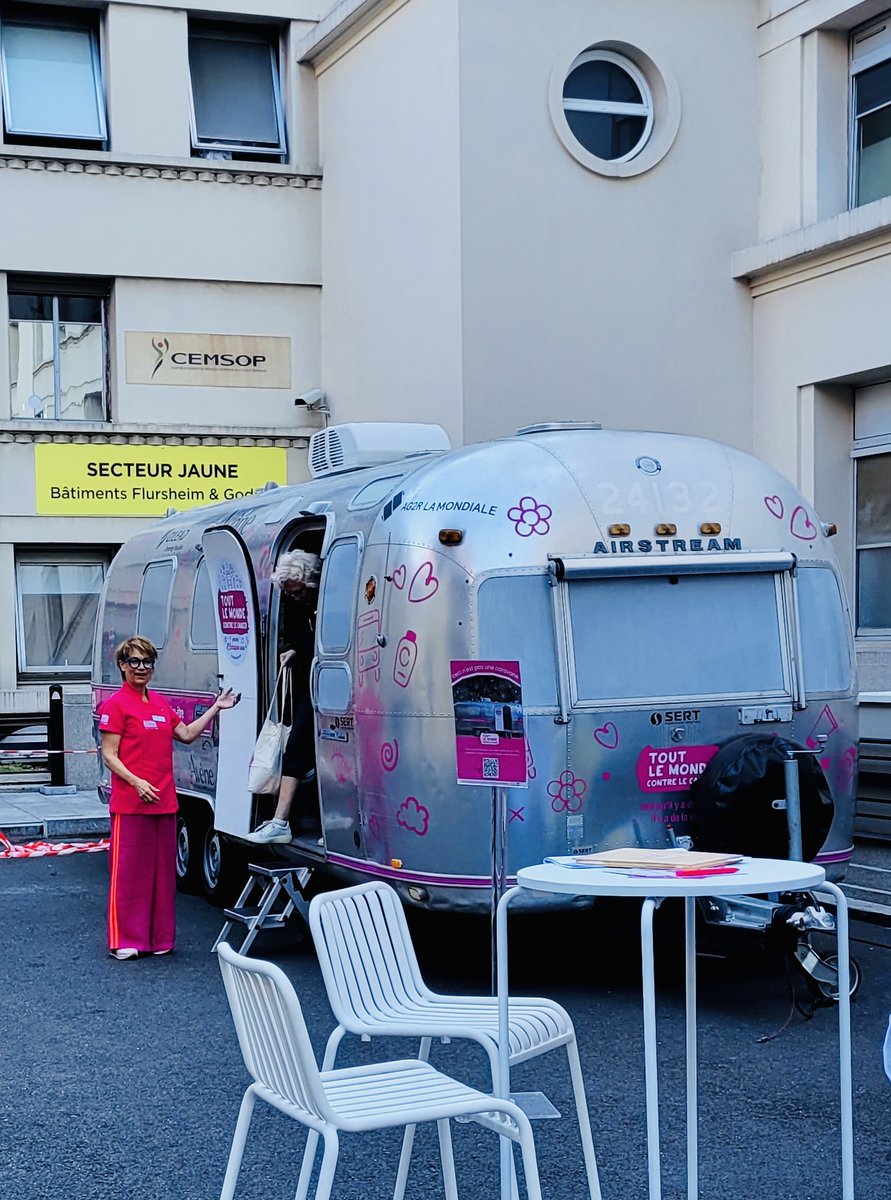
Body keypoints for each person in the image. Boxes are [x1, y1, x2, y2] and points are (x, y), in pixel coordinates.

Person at [99, 635, 239, 959]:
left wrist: (216, 708)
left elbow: (187, 734)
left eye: (147, 662)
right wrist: (136, 783)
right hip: (132, 804)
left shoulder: (160, 704)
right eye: (134, 661)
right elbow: (109, 755)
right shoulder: (116, 705)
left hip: (164, 802)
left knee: (162, 877)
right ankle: (126, 941)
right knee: (129, 876)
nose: (141, 668)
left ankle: (159, 939)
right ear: (122, 665)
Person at [246, 549, 321, 844]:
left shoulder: (325, 601)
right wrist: (295, 650)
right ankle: (280, 821)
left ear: (310, 582)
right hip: (311, 684)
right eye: (290, 592)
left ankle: (286, 822)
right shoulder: (299, 604)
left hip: (326, 683)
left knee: (312, 752)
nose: (295, 596)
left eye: (298, 590)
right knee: (296, 749)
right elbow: (305, 641)